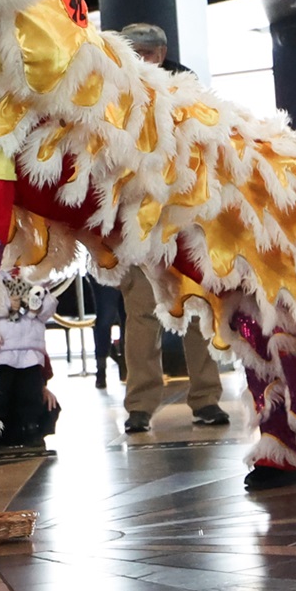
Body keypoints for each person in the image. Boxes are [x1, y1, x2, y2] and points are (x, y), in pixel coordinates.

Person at [113, 26, 230, 431]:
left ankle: (207, 399)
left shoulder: (191, 96)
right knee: (141, 316)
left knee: (198, 309)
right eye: (130, 51)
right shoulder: (111, 92)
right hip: (136, 223)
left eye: (143, 52)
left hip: (186, 222)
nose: (137, 59)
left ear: (160, 53)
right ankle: (139, 406)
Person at [0, 273, 61, 460]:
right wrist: (6, 305)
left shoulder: (35, 276)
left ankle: (32, 431)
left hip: (30, 350)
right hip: (0, 351)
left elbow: (47, 309)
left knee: (30, 394)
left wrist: (38, 302)